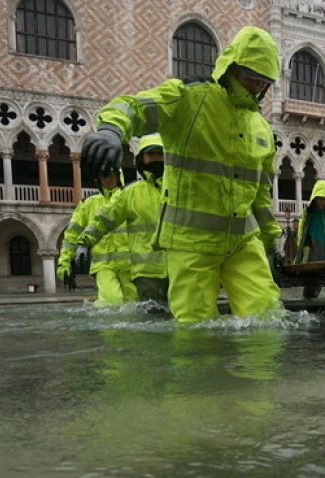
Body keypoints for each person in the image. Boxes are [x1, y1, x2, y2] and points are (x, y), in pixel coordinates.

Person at [80, 26, 282, 323]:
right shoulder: (190, 97)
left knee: (268, 319)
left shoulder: (261, 127)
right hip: (191, 242)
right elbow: (135, 106)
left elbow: (261, 196)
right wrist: (111, 129)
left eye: (263, 81)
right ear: (230, 67)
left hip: (242, 242)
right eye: (249, 76)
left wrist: (270, 243)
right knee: (195, 329)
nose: (255, 86)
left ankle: (261, 371)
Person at [75, 134, 169, 305]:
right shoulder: (130, 193)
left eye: (160, 154)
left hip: (182, 267)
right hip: (147, 273)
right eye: (151, 154)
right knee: (153, 321)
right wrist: (84, 243)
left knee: (187, 316)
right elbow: (103, 220)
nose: (156, 158)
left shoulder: (182, 189)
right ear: (141, 159)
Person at [57, 169, 134, 305]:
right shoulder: (89, 203)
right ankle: (106, 325)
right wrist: (64, 262)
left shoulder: (129, 198)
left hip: (130, 265)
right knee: (111, 301)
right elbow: (72, 234)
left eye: (111, 175)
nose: (107, 179)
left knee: (134, 305)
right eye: (103, 176)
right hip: (102, 265)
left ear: (119, 176)